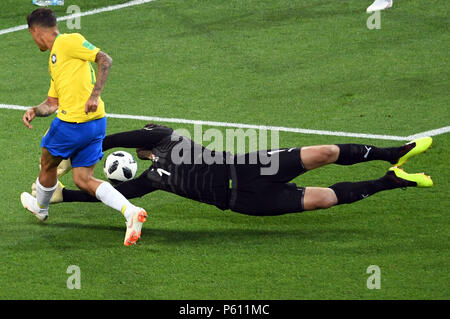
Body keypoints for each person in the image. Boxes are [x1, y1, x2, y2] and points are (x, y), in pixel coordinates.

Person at [37, 123, 433, 219]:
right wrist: (64, 194)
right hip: (244, 201)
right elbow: (120, 197)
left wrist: (82, 151)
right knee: (326, 198)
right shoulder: (149, 179)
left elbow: (116, 137)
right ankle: (390, 180)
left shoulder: (167, 139)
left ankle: (394, 151)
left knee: (327, 151)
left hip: (250, 167)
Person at [20, 8, 147, 246]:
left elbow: (105, 59)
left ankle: (41, 207)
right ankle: (130, 211)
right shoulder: (55, 59)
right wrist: (35, 111)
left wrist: (95, 95)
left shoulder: (68, 41)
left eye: (32, 35)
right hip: (96, 124)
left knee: (47, 162)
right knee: (83, 178)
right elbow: (51, 103)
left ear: (35, 31)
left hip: (73, 123)